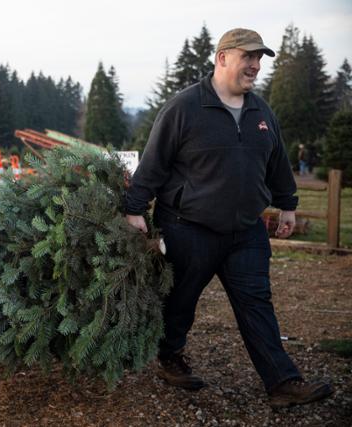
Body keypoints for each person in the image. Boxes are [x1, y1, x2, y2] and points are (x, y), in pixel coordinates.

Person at [125, 28, 333, 408]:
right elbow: (153, 164)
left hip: (246, 231)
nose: (255, 66)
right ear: (222, 58)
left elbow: (278, 163)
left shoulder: (261, 111)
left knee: (257, 303)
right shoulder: (184, 107)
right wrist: (134, 208)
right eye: (248, 57)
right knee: (180, 301)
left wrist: (287, 203)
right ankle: (170, 356)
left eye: (259, 59)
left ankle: (282, 382)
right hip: (189, 228)